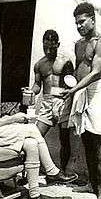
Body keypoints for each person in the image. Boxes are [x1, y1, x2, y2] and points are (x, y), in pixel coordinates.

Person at [0, 65, 78, 199]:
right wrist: (11, 119)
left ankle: (34, 195)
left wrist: (9, 120)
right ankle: (52, 171)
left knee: (31, 143)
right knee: (31, 129)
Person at [60, 2, 101, 199]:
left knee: (97, 140)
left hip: (96, 91)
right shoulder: (79, 44)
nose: (79, 26)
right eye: (76, 23)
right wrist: (70, 84)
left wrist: (74, 89)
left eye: (82, 22)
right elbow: (79, 69)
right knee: (86, 139)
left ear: (92, 19)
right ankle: (91, 183)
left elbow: (96, 72)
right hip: (80, 91)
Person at [31, 29, 77, 176]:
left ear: (58, 44)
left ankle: (62, 172)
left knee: (64, 139)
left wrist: (66, 98)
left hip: (63, 101)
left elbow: (71, 83)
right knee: (35, 137)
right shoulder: (39, 65)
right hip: (46, 102)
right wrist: (30, 92)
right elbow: (37, 85)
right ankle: (33, 170)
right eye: (46, 47)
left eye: (52, 47)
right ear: (42, 44)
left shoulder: (65, 61)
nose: (49, 50)